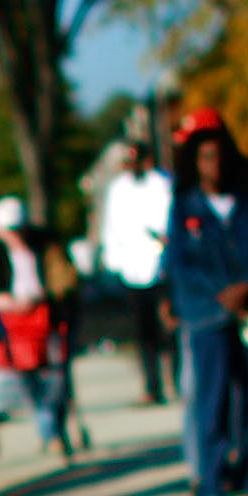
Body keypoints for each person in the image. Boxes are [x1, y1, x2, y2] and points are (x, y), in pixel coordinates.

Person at [164, 109, 248, 496]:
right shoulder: (186, 207)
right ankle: (213, 488)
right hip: (207, 317)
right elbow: (179, 263)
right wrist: (218, 293)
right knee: (212, 403)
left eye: (219, 156)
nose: (213, 165)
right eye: (205, 158)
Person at [0, 196, 79, 456]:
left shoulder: (47, 247)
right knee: (27, 380)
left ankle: (54, 431)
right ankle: (47, 428)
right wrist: (3, 301)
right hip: (13, 325)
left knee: (56, 379)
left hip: (47, 319)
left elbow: (64, 279)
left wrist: (45, 298)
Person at [99, 140, 176, 402]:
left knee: (169, 326)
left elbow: (166, 221)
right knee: (144, 332)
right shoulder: (118, 190)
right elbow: (112, 226)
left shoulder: (161, 184)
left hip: (161, 267)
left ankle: (176, 379)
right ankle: (152, 386)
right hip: (132, 269)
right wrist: (115, 261)